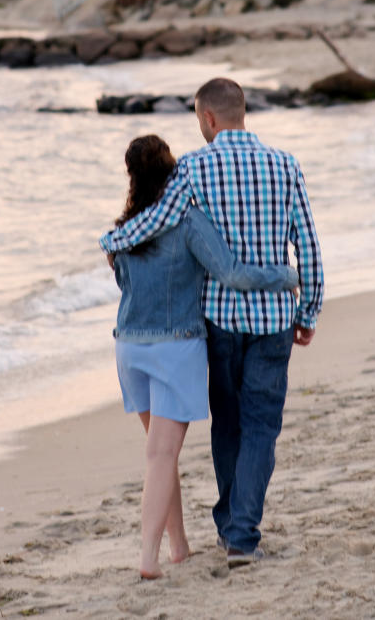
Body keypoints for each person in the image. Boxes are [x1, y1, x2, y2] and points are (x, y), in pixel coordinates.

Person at [100, 78, 324, 568]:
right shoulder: (286, 165)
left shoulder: (194, 169)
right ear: (243, 112)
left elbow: (156, 219)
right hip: (273, 324)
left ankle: (230, 527)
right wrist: (307, 309)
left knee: (228, 424)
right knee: (261, 426)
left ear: (208, 119)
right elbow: (307, 245)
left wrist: (112, 242)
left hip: (219, 322)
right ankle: (241, 534)